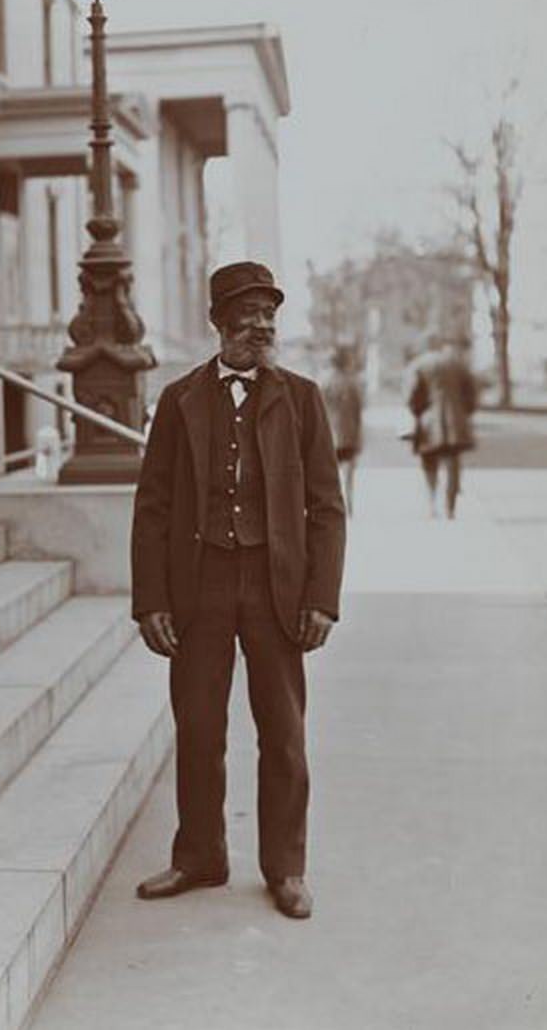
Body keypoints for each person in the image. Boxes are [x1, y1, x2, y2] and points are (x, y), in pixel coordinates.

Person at [130, 261, 346, 920]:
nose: (260, 326)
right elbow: (154, 507)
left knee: (282, 734)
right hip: (201, 586)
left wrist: (321, 597)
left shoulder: (302, 398)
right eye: (247, 315)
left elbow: (327, 508)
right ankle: (200, 856)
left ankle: (285, 868)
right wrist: (151, 600)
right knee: (198, 728)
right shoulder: (178, 400)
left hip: (277, 588)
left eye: (268, 315)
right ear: (219, 322)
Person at [405, 330, 477, 519]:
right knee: (453, 463)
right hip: (455, 420)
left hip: (429, 421)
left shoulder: (419, 365)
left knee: (429, 462)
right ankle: (450, 507)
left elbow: (412, 395)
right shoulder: (457, 364)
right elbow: (471, 393)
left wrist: (417, 412)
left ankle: (432, 503)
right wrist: (464, 412)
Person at [319, 345, 363, 516]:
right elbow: (358, 410)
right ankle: (349, 504)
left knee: (328, 475)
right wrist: (359, 435)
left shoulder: (322, 382)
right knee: (349, 473)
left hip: (328, 434)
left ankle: (331, 506)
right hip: (348, 433)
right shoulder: (352, 383)